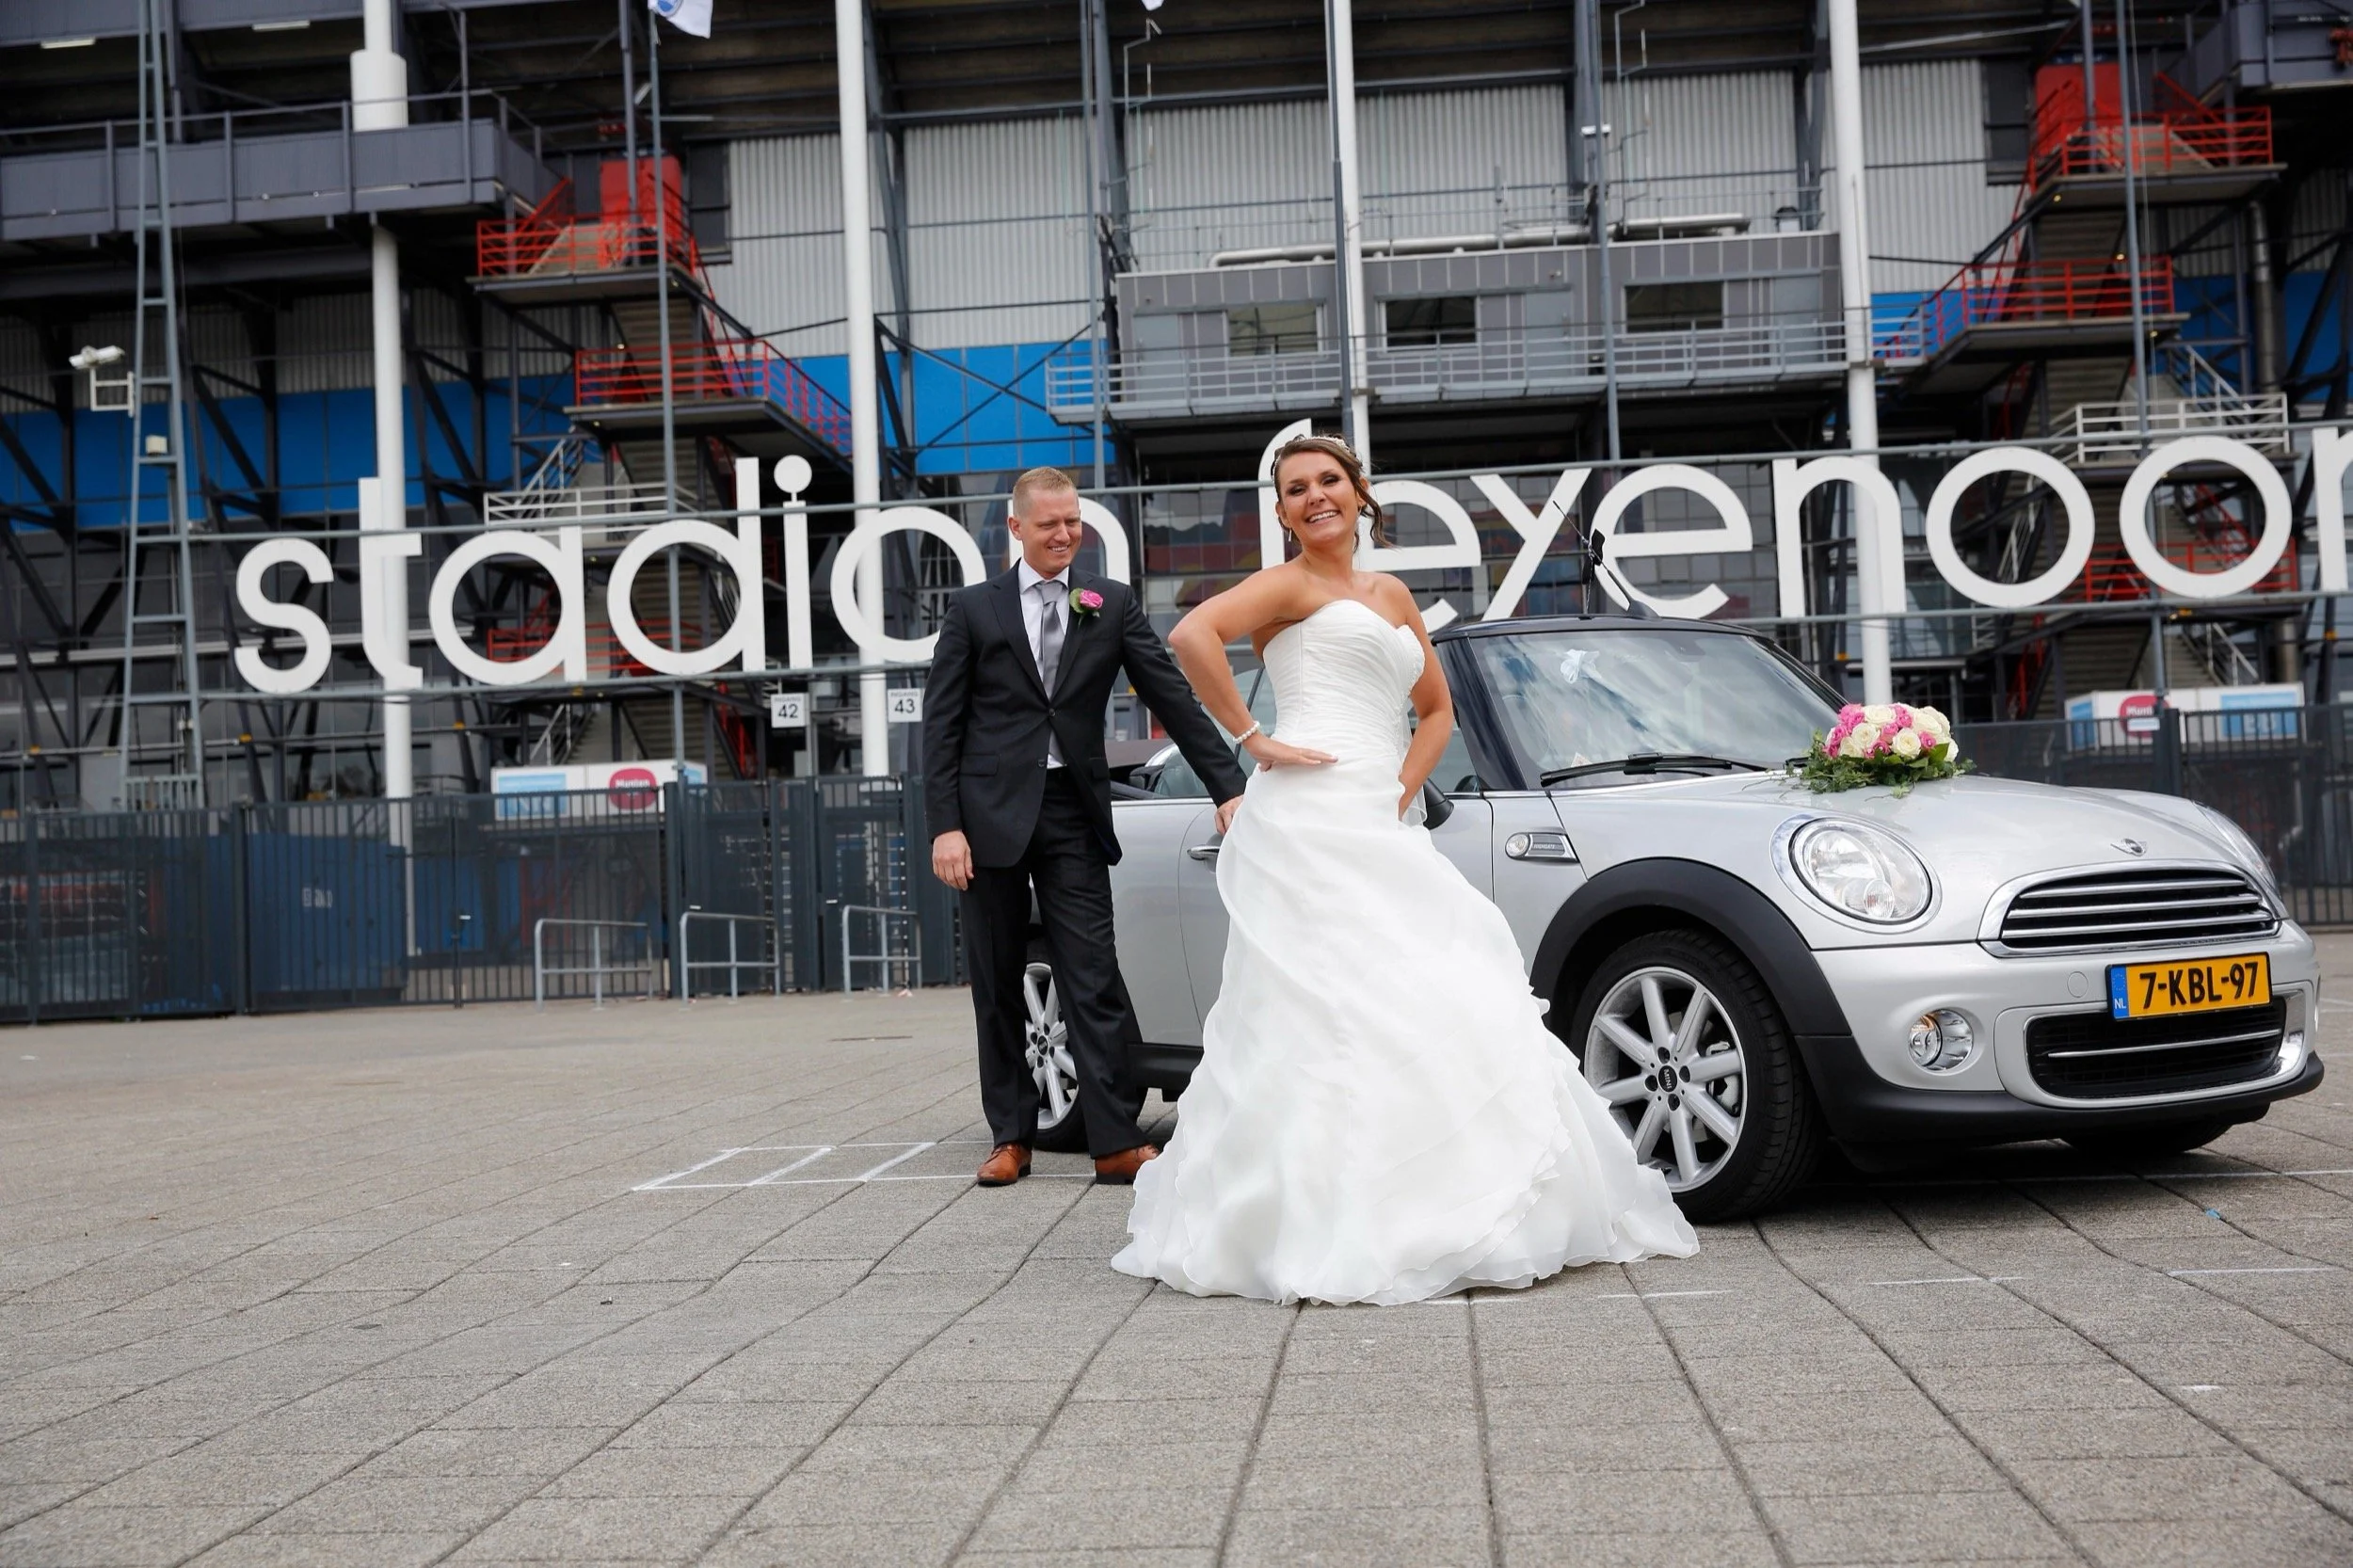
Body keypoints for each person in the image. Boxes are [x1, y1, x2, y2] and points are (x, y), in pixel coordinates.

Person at [1112, 433, 1699, 1304]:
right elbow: (1194, 636)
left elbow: (1435, 709)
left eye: (1328, 481)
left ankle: (1453, 1198)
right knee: (1329, 1006)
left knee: (1436, 985)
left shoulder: (1389, 594)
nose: (1314, 497)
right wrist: (1251, 738)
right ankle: (1328, 1215)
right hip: (1306, 818)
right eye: (1295, 489)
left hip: (1377, 819)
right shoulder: (1289, 585)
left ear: (1359, 492)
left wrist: (1401, 790)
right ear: (1281, 512)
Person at [923, 467, 1248, 1187]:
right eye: (1049, 524)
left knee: (1093, 976)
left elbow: (1173, 695)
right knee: (999, 982)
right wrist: (946, 826)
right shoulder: (974, 610)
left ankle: (1113, 1141)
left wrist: (1230, 787)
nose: (1066, 534)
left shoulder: (1110, 604)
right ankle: (1010, 1137)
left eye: (1073, 521)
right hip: (986, 823)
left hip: (1072, 810)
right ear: (1016, 529)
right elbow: (940, 727)